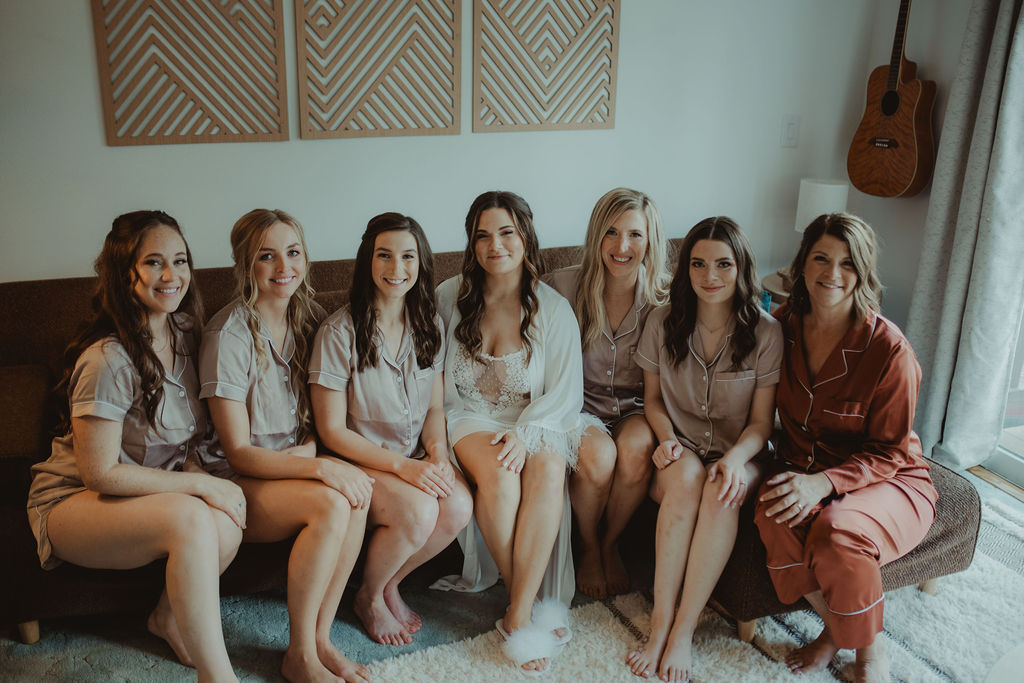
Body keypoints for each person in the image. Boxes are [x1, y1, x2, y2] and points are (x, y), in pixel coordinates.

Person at [26, 211, 243, 682]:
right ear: (125, 273)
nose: (172, 276)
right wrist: (199, 489)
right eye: (153, 263)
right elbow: (99, 473)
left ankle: (167, 617)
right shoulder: (107, 358)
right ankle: (218, 675)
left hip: (142, 493)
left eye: (180, 260)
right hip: (74, 501)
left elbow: (182, 439)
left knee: (226, 522)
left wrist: (200, 476)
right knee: (193, 514)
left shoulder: (187, 333)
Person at [755, 213, 937, 683]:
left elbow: (892, 452)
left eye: (847, 263)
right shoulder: (781, 328)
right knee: (772, 509)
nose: (832, 274)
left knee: (838, 531)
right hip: (803, 467)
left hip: (889, 480)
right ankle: (838, 629)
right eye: (821, 258)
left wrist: (823, 483)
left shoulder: (889, 350)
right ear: (802, 263)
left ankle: (869, 655)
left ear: (863, 271)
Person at [433, 191, 601, 675]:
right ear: (471, 242)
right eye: (482, 235)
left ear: (525, 236)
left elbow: (567, 392)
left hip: (538, 416)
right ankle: (525, 609)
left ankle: (517, 614)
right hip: (466, 414)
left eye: (506, 232)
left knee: (549, 467)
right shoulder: (449, 297)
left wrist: (529, 434)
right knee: (503, 479)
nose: (495, 245)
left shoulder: (552, 308)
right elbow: (431, 378)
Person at [200, 209, 371, 683]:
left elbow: (318, 418)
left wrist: (314, 454)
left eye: (293, 253)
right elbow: (236, 451)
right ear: (245, 265)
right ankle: (298, 654)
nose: (284, 267)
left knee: (358, 496)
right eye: (267, 256)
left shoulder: (308, 318)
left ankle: (320, 640)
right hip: (234, 481)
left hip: (292, 465)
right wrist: (318, 468)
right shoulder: (227, 336)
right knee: (331, 504)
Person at [627, 217, 782, 682]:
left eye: (722, 264)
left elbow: (761, 425)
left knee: (720, 491)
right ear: (685, 269)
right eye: (698, 264)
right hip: (683, 447)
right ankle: (658, 627)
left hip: (743, 453)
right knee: (690, 481)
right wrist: (667, 441)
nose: (709, 276)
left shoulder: (767, 334)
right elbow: (652, 401)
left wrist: (735, 461)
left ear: (741, 268)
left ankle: (682, 633)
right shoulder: (661, 321)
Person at [310, 213, 472, 647]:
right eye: (384, 256)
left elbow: (435, 406)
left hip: (412, 458)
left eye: (407, 257)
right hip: (358, 460)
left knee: (457, 506)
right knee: (419, 511)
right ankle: (368, 597)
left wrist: (437, 454)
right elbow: (330, 430)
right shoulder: (338, 332)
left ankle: (386, 585)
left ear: (421, 264)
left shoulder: (430, 325)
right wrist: (405, 468)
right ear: (368, 260)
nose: (396, 268)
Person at [544, 187, 669, 599]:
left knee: (635, 450)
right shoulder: (562, 286)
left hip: (638, 408)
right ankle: (590, 546)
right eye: (611, 232)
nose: (622, 246)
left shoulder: (665, 300)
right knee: (599, 454)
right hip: (579, 409)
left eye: (635, 234)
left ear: (650, 241)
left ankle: (611, 542)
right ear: (596, 234)